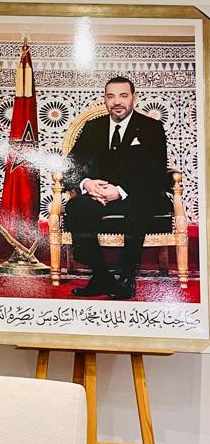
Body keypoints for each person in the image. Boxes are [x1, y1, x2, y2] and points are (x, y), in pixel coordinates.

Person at [64, 76, 169, 300]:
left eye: (123, 95)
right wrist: (87, 184)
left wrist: (120, 191)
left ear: (134, 98)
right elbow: (69, 165)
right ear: (105, 99)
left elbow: (156, 173)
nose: (117, 102)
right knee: (76, 207)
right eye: (111, 96)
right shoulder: (94, 127)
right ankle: (101, 275)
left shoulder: (151, 128)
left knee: (138, 207)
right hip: (99, 195)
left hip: (138, 193)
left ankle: (126, 278)